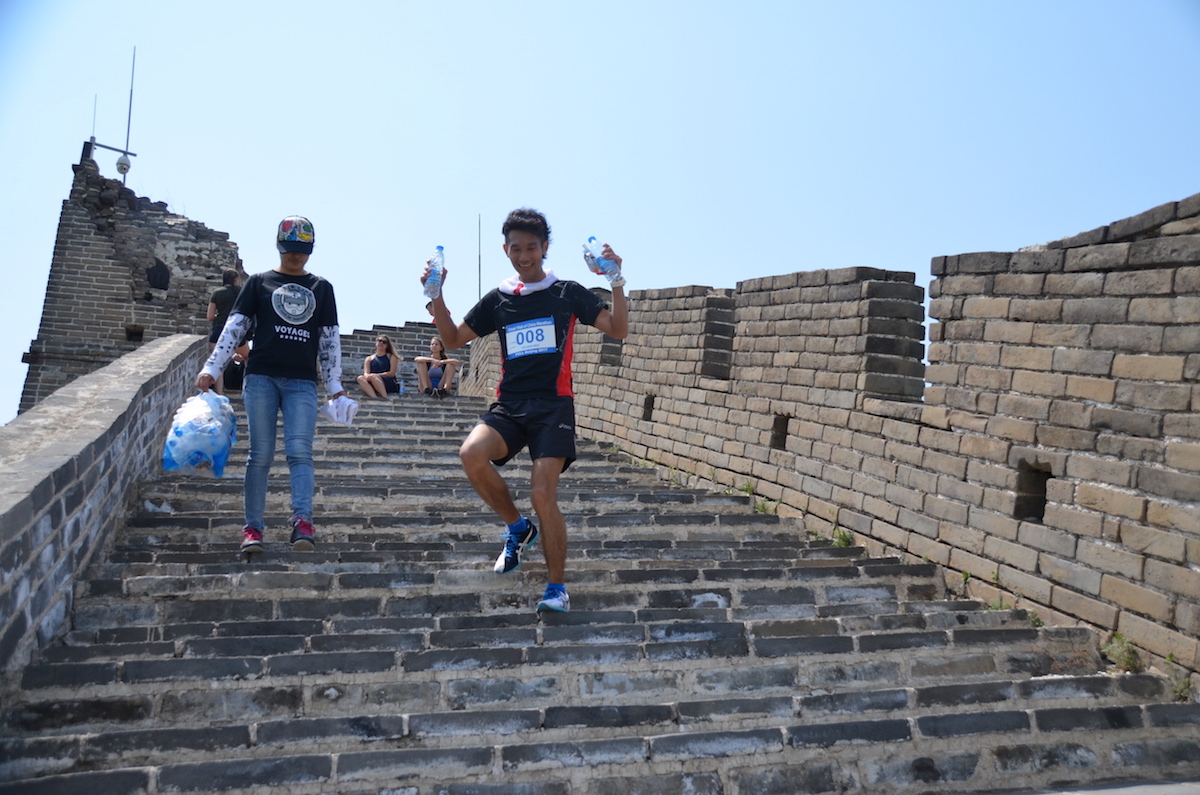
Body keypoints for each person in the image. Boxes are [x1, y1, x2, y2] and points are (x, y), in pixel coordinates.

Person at [424, 208, 628, 613]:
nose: (524, 256)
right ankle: (518, 529)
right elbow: (453, 339)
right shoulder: (499, 299)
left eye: (531, 248)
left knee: (541, 493)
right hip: (510, 404)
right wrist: (436, 296)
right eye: (516, 248)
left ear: (545, 247)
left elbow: (618, 329)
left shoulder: (567, 292)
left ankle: (556, 588)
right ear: (506, 250)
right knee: (471, 453)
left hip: (553, 406)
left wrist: (617, 282)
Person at [196, 215, 356, 557]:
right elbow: (235, 328)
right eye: (290, 248)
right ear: (279, 246)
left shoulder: (321, 288)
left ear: (311, 249)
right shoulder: (258, 283)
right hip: (261, 377)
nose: (296, 255)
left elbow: (329, 340)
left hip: (302, 381)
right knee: (260, 455)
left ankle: (303, 522)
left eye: (302, 249)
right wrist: (212, 367)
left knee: (300, 452)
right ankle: (253, 527)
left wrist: (334, 385)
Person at [206, 269, 241, 395]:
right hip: (238, 330)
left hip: (219, 329)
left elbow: (210, 316)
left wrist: (220, 316)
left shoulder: (217, 293)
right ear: (236, 279)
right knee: (247, 357)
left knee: (218, 362)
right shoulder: (242, 292)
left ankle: (219, 393)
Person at [357, 334, 400, 398]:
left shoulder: (391, 356)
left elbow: (392, 373)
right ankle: (374, 398)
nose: (381, 343)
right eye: (379, 341)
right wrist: (368, 376)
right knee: (360, 378)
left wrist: (376, 375)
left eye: (384, 342)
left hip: (388, 382)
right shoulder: (369, 359)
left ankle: (385, 398)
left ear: (387, 345)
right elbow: (366, 373)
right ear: (376, 343)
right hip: (373, 381)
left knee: (373, 377)